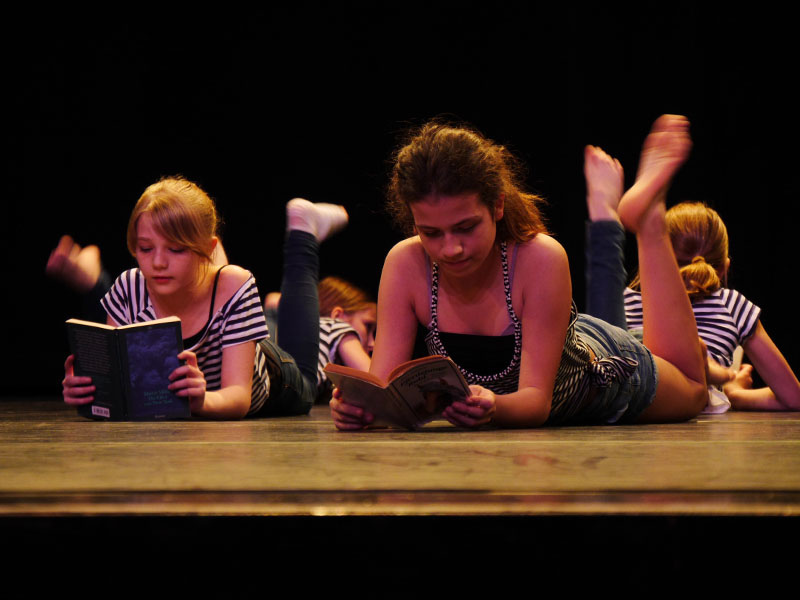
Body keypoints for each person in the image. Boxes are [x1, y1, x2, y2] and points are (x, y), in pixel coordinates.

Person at [331, 115, 710, 430]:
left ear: (497, 206)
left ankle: (650, 220)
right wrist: (361, 409)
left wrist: (495, 406)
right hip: (558, 338)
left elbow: (536, 403)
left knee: (695, 390)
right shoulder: (405, 262)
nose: (451, 248)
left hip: (603, 371)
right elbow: (384, 387)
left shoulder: (538, 257)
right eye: (431, 232)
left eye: (466, 227)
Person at [59, 177, 348, 418]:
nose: (157, 263)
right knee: (219, 291)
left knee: (307, 381)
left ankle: (303, 233)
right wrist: (92, 391)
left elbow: (238, 397)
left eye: (176, 249)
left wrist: (202, 400)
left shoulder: (236, 284)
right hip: (216, 318)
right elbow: (123, 390)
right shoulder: (128, 287)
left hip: (274, 382)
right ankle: (205, 270)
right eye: (145, 249)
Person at [583, 148, 800, 411]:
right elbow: (793, 397)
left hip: (608, 380)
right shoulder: (731, 304)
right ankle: (649, 221)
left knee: (606, 343)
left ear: (655, 264)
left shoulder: (626, 300)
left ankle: (606, 222)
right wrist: (734, 391)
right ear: (724, 268)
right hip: (661, 392)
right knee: (664, 363)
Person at [264, 276, 376, 401]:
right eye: (367, 326)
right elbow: (375, 382)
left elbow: (272, 300)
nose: (373, 344)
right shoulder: (337, 327)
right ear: (337, 316)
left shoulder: (308, 334)